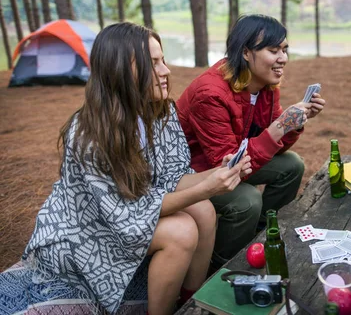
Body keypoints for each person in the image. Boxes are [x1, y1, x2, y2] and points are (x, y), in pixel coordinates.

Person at [12, 23, 251, 315]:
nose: (166, 71)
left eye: (162, 60)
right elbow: (128, 214)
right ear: (120, 71)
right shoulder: (90, 134)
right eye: (153, 64)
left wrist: (216, 174)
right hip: (86, 231)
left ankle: (188, 302)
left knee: (204, 209)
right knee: (181, 231)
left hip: (131, 213)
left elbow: (173, 176)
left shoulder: (160, 112)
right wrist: (207, 188)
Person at [177, 14, 326, 269]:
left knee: (292, 165)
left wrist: (293, 124)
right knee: (246, 200)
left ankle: (259, 236)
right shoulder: (210, 94)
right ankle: (221, 264)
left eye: (284, 50)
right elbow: (228, 168)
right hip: (195, 171)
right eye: (273, 50)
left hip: (235, 161)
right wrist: (279, 128)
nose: (283, 59)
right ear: (246, 52)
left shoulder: (266, 84)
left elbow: (275, 146)